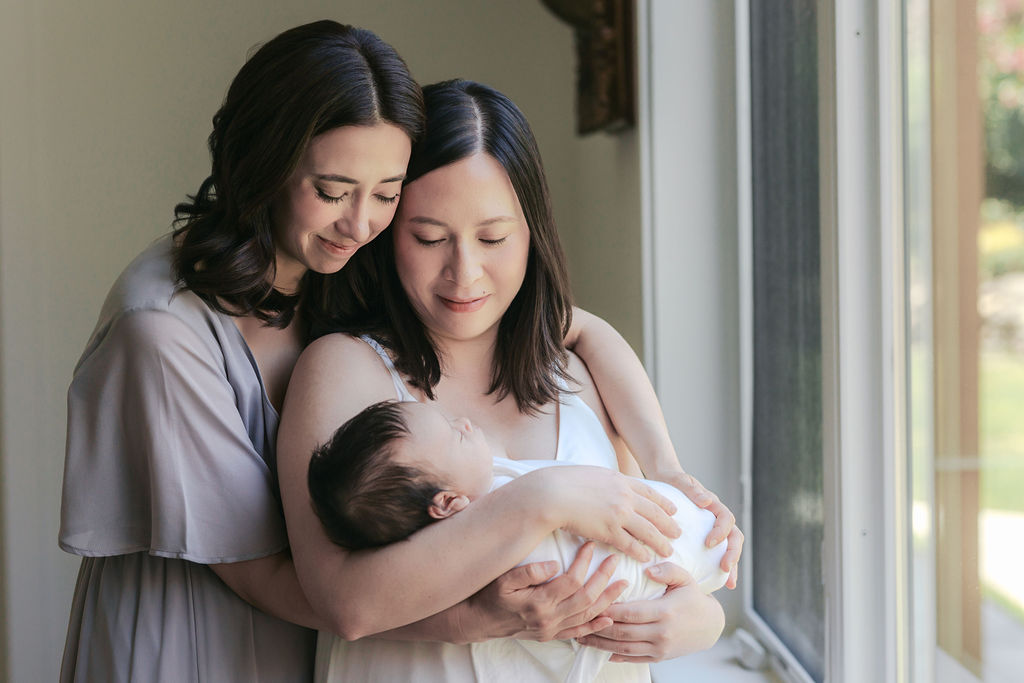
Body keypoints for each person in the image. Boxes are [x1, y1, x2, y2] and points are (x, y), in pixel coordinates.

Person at [58, 21, 737, 683]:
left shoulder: (343, 279)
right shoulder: (180, 335)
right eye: (333, 192)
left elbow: (574, 327)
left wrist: (693, 591)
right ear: (264, 163)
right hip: (196, 637)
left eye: (383, 194)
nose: (359, 223)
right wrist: (496, 579)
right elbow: (317, 592)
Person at [277, 79, 742, 683]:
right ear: (389, 232)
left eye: (493, 237)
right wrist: (537, 501)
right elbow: (345, 603)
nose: (463, 273)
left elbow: (643, 557)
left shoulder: (578, 374)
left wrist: (701, 620)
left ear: (532, 233)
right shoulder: (345, 368)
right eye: (429, 238)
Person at [307, 398, 730, 682]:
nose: (466, 423)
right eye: (456, 433)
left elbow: (641, 527)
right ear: (450, 502)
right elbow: (346, 606)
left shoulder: (578, 364)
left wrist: (708, 620)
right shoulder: (351, 379)